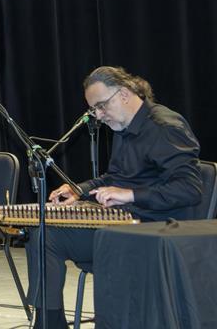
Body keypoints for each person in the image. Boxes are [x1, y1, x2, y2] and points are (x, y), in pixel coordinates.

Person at [26, 66, 202, 328]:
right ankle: (49, 323)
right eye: (94, 110)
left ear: (124, 94)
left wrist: (130, 194)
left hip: (158, 229)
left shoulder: (165, 127)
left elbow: (189, 188)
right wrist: (79, 190)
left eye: (101, 106)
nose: (99, 115)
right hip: (123, 223)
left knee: (107, 239)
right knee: (44, 235)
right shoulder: (123, 128)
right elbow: (114, 177)